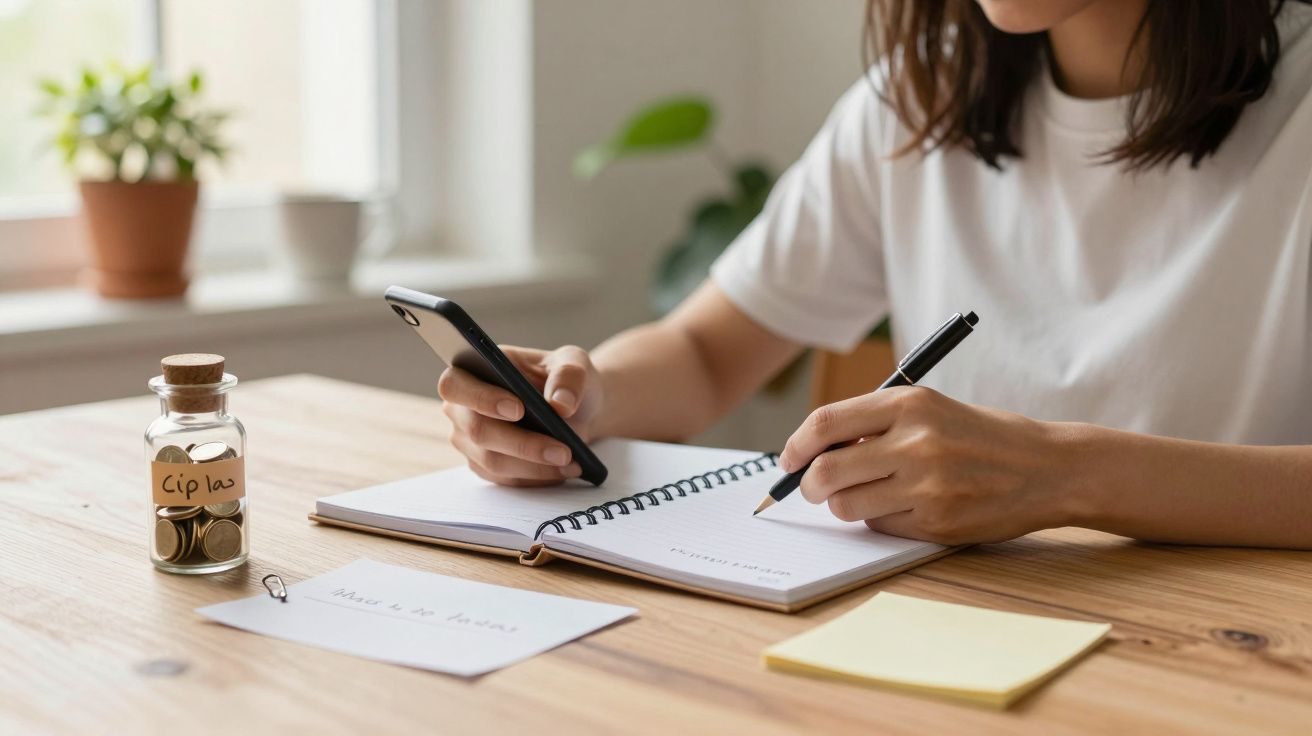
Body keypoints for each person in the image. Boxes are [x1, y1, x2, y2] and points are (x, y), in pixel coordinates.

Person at [438, 0, 1312, 550]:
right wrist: (575, 405)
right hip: (964, 633)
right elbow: (705, 352)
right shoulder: (916, 100)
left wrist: (1067, 474)